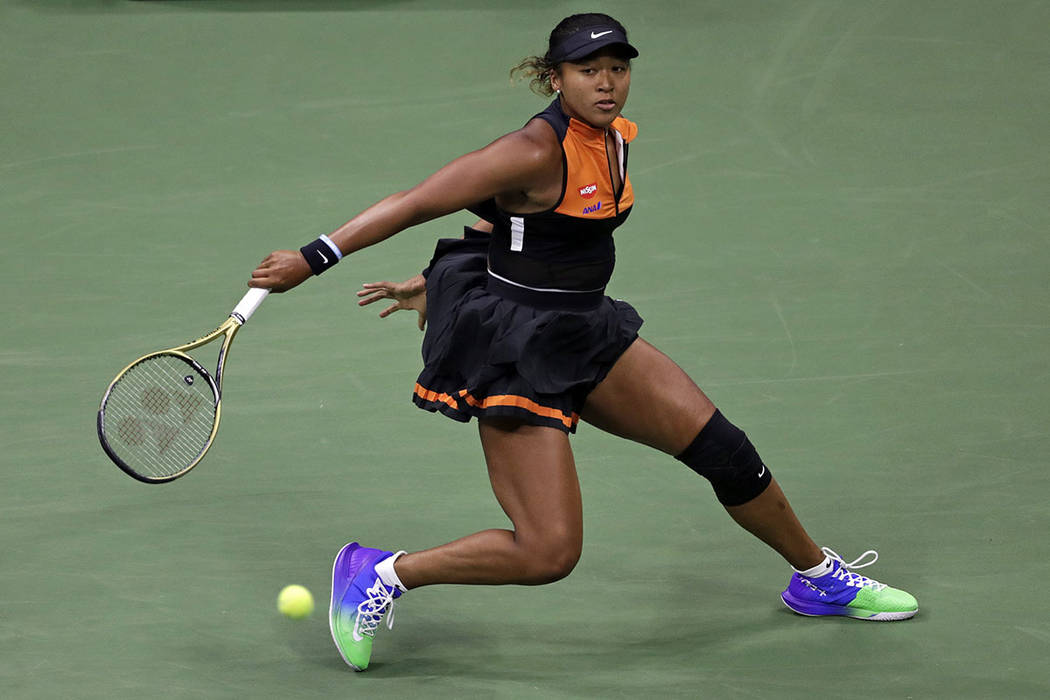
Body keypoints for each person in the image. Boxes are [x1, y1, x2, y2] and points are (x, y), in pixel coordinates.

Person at [248, 13, 918, 672]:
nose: (606, 83)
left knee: (727, 452)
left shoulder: (615, 136)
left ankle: (816, 578)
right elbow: (419, 200)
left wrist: (435, 279)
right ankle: (381, 573)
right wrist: (313, 258)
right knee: (548, 553)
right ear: (554, 78)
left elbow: (506, 222)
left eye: (617, 69)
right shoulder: (533, 150)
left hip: (585, 330)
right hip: (514, 354)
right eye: (587, 71)